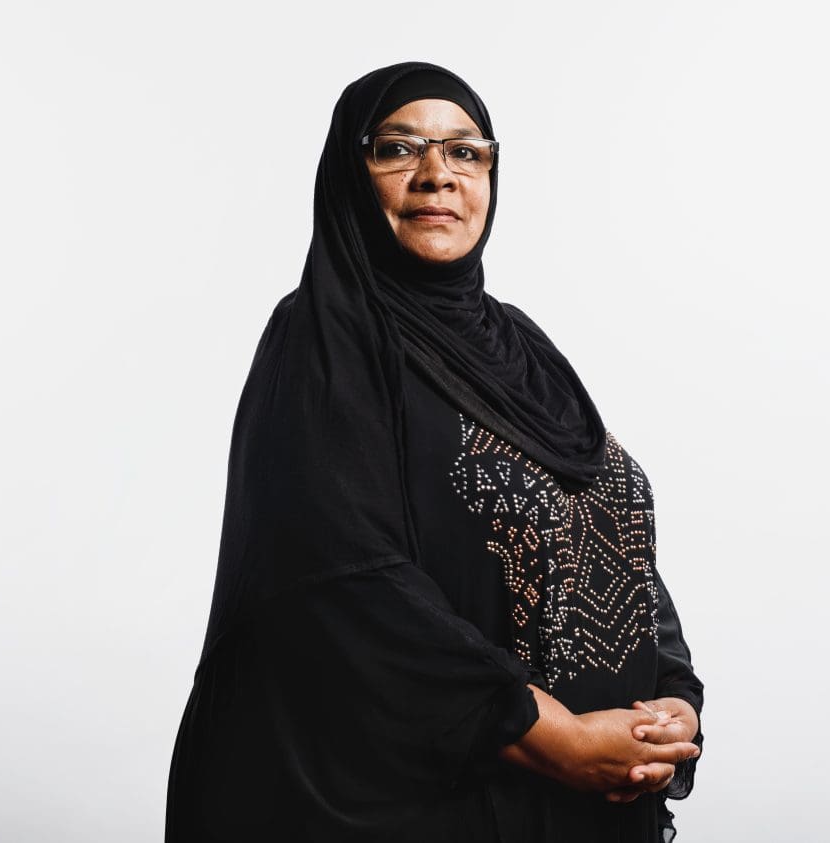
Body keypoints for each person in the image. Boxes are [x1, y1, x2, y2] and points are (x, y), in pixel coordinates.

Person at [164, 62, 705, 842]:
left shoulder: (522, 347)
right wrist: (552, 737)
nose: (435, 177)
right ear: (352, 174)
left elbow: (610, 525)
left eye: (464, 152)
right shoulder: (325, 338)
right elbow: (343, 583)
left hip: (590, 809)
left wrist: (674, 703)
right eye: (397, 149)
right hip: (434, 809)